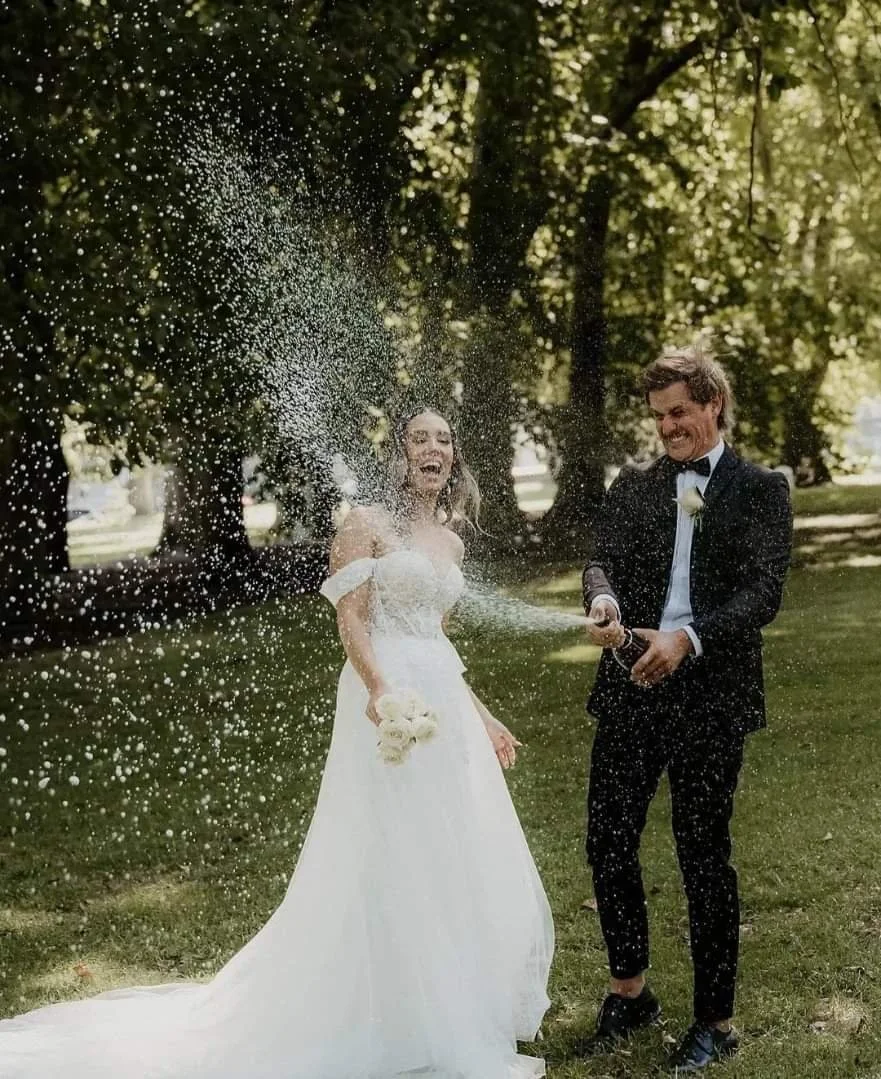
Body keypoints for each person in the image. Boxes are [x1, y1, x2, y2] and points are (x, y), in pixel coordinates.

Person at [0, 405, 554, 1079]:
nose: (432, 449)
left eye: (443, 439)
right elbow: (351, 622)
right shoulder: (362, 525)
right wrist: (380, 689)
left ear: (453, 456)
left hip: (443, 709)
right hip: (386, 702)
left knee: (449, 847)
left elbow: (436, 637)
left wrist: (483, 714)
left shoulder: (451, 542)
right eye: (419, 438)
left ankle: (446, 1003)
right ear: (399, 454)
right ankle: (385, 1009)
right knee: (392, 848)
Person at [581, 341, 792, 1072]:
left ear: (713, 404)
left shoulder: (760, 488)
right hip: (629, 683)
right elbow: (598, 556)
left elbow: (760, 593)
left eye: (679, 413)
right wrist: (602, 600)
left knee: (702, 854)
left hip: (710, 696)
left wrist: (688, 638)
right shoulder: (634, 483)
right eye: (658, 417)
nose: (668, 428)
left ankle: (715, 1020)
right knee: (606, 840)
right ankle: (629, 991)